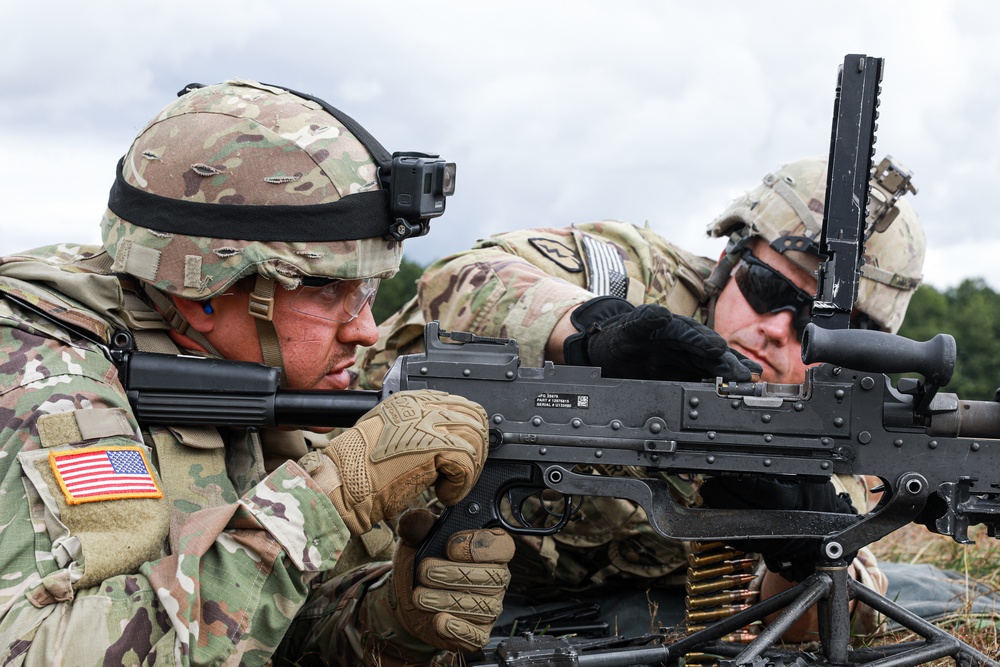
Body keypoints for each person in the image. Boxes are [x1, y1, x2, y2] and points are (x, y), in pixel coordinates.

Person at [0, 79, 515, 666]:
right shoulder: (43, 379)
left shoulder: (214, 358)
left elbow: (264, 635)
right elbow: (46, 653)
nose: (366, 330)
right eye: (325, 289)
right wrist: (326, 499)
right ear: (203, 294)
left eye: (368, 291)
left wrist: (392, 619)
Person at [356, 154, 927, 642]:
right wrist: (587, 333)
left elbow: (834, 611)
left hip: (514, 597)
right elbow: (460, 279)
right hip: (361, 512)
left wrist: (801, 550)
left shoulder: (821, 432)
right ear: (731, 261)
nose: (778, 329)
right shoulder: (633, 278)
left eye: (819, 326)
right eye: (767, 288)